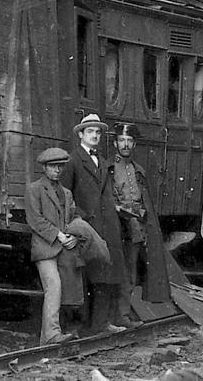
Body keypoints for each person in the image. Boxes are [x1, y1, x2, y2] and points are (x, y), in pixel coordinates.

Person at [60, 113, 126, 335]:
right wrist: (78, 219)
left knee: (105, 273)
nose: (95, 135)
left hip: (107, 224)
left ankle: (101, 324)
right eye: (90, 132)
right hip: (87, 226)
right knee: (85, 277)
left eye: (98, 132)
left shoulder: (103, 161)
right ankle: (82, 327)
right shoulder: (73, 160)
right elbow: (65, 195)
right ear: (81, 134)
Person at [107, 123, 170, 327]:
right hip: (116, 227)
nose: (125, 145)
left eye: (129, 141)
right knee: (117, 271)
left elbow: (144, 201)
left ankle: (123, 315)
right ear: (115, 143)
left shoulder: (138, 170)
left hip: (137, 228)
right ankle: (113, 316)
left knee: (131, 272)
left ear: (134, 144)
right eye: (122, 140)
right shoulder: (108, 168)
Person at [25, 147, 79, 345]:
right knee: (54, 286)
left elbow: (74, 217)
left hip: (64, 247)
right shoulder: (35, 189)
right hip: (45, 247)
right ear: (44, 168)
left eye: (60, 166)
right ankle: (53, 334)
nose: (57, 170)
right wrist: (58, 234)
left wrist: (73, 235)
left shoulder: (66, 193)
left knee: (63, 289)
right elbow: (34, 219)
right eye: (53, 166)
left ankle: (46, 341)